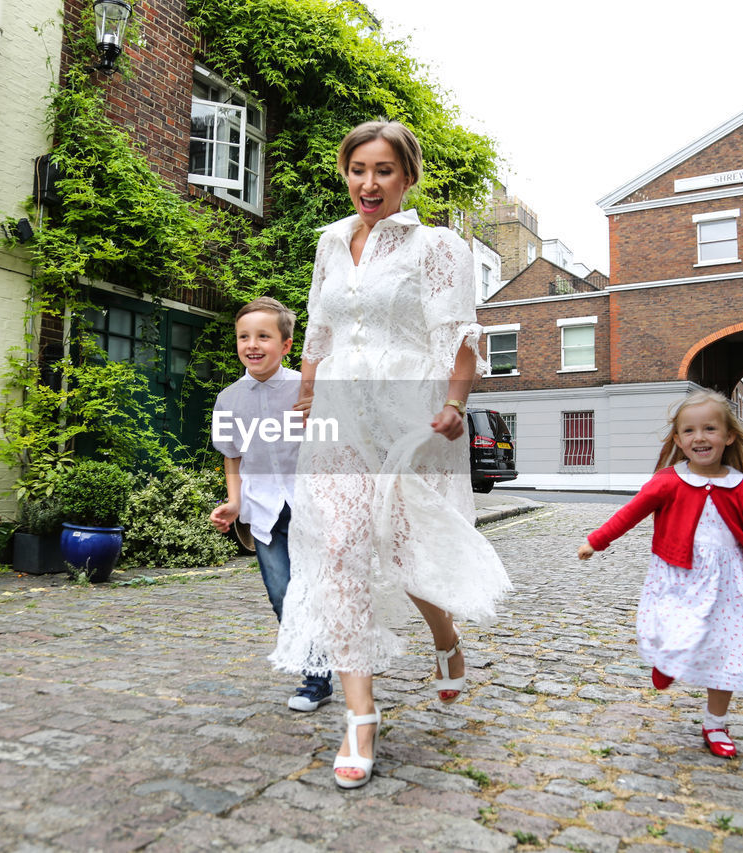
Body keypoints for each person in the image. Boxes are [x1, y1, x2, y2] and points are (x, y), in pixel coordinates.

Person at [269, 120, 511, 789]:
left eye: (382, 170)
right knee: (340, 546)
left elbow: (459, 334)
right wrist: (306, 398)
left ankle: (447, 640)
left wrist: (457, 404)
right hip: (341, 415)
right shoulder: (328, 241)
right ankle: (360, 716)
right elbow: (317, 328)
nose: (367, 184)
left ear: (407, 177)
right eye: (357, 169)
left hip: (408, 413)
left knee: (406, 548)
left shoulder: (436, 246)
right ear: (344, 172)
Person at [576, 389, 743, 759]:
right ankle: (667, 661)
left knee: (728, 651)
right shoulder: (668, 481)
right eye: (689, 431)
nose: (699, 438)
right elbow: (630, 514)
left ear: (728, 436)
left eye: (709, 429)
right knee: (674, 628)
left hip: (727, 585)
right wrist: (597, 540)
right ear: (678, 439)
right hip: (676, 576)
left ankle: (715, 724)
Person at [209, 297, 333, 713]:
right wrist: (233, 501)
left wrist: (325, 409)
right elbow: (232, 455)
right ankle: (318, 668)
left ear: (286, 344)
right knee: (281, 594)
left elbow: (341, 441)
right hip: (264, 511)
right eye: (244, 337)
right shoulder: (228, 399)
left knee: (317, 590)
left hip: (312, 507)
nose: (252, 344)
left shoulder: (309, 388)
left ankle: (318, 677)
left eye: (264, 335)